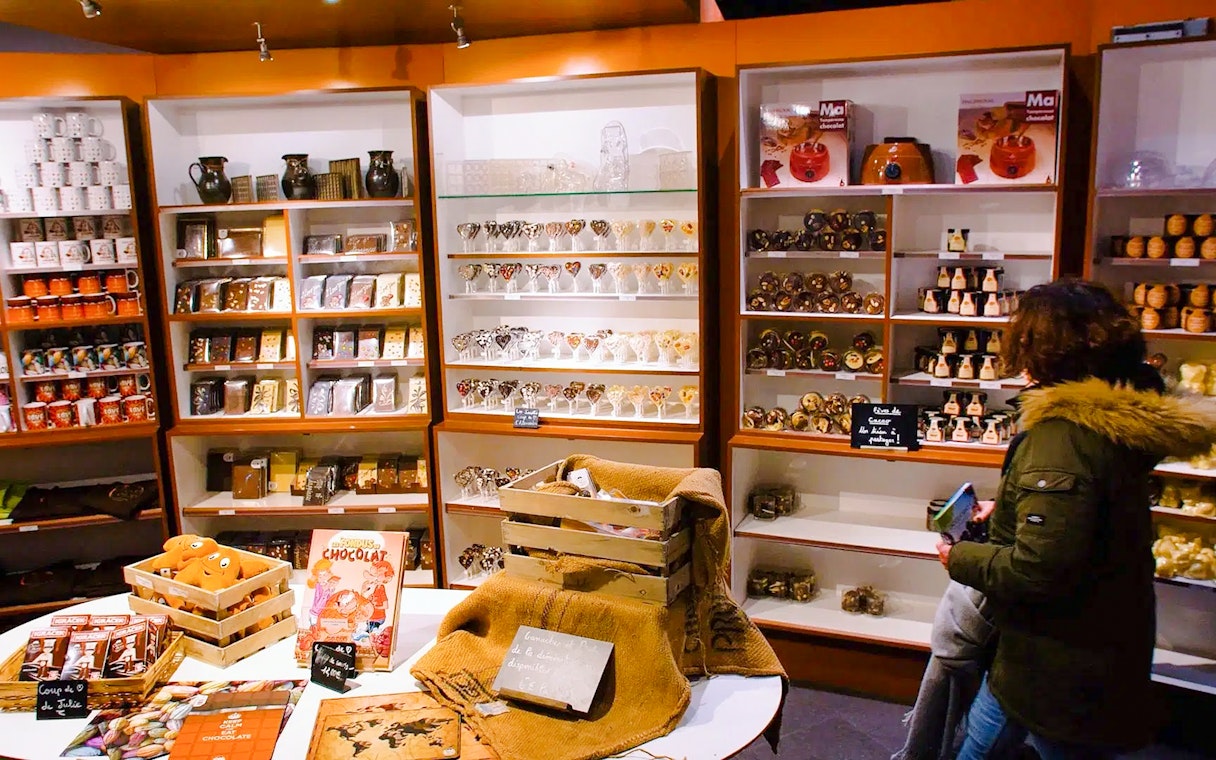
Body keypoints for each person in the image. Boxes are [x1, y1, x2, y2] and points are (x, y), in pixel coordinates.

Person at [938, 281, 1216, 759]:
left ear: (1042, 350)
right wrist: (1007, 510)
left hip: (1060, 664)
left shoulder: (1063, 437)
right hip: (1075, 650)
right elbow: (1082, 517)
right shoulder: (1115, 420)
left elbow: (1038, 570)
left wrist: (960, 556)